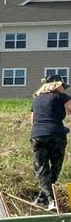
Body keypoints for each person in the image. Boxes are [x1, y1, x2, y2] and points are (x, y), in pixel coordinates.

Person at [30, 74, 71, 210]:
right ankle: (51, 200)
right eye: (62, 86)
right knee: (55, 168)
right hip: (56, 135)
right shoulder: (62, 97)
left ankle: (42, 199)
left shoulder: (36, 99)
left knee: (41, 169)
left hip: (38, 135)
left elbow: (33, 120)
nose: (64, 89)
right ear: (56, 85)